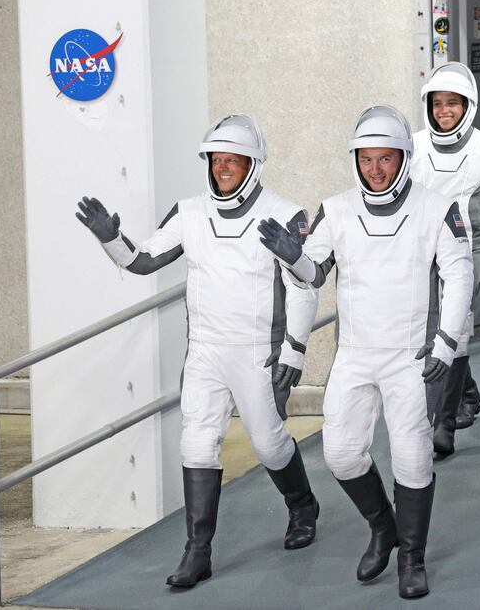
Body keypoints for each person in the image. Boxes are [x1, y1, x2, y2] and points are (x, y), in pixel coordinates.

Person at [75, 114, 321, 588]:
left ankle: (303, 507)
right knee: (196, 443)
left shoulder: (285, 212)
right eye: (217, 160)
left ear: (253, 164)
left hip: (258, 352)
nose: (224, 168)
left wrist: (293, 348)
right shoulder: (189, 212)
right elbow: (143, 259)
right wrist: (110, 238)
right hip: (205, 351)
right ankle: (197, 551)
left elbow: (306, 284)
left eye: (233, 160)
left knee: (269, 443)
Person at [258, 105, 473, 598]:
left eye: (386, 159)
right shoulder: (334, 209)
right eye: (366, 159)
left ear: (404, 158)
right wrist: (293, 256)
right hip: (354, 355)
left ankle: (412, 559)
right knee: (339, 453)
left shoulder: (438, 208)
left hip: (411, 356)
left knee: (413, 459)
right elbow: (313, 274)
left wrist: (446, 341)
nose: (376, 169)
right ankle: (383, 528)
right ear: (356, 160)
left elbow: (459, 275)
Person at [411, 61, 480, 453]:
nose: (444, 111)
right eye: (437, 103)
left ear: (468, 105)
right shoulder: (413, 144)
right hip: (419, 248)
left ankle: (443, 426)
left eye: (452, 103)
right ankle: (467, 394)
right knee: (429, 328)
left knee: (454, 328)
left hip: (464, 251)